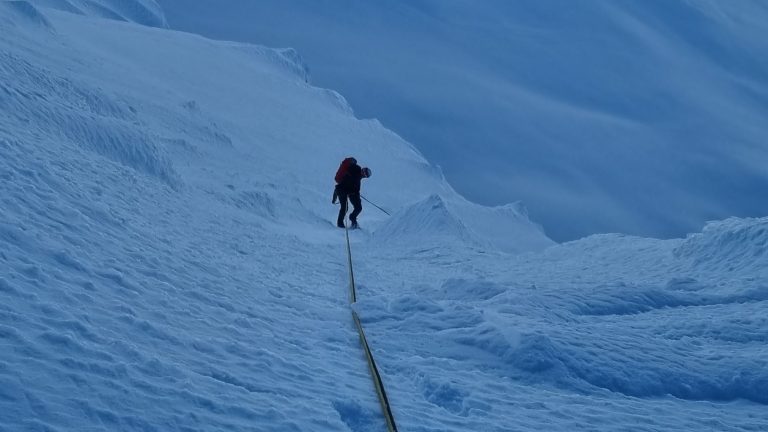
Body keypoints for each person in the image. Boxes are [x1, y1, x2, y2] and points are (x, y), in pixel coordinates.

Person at [334, 158, 371, 229]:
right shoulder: (355, 169)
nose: (364, 173)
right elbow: (347, 180)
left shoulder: (358, 176)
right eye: (364, 172)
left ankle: (352, 218)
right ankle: (340, 224)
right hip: (341, 189)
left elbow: (354, 186)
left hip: (350, 191)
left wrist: (356, 193)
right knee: (344, 207)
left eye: (365, 174)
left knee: (358, 207)